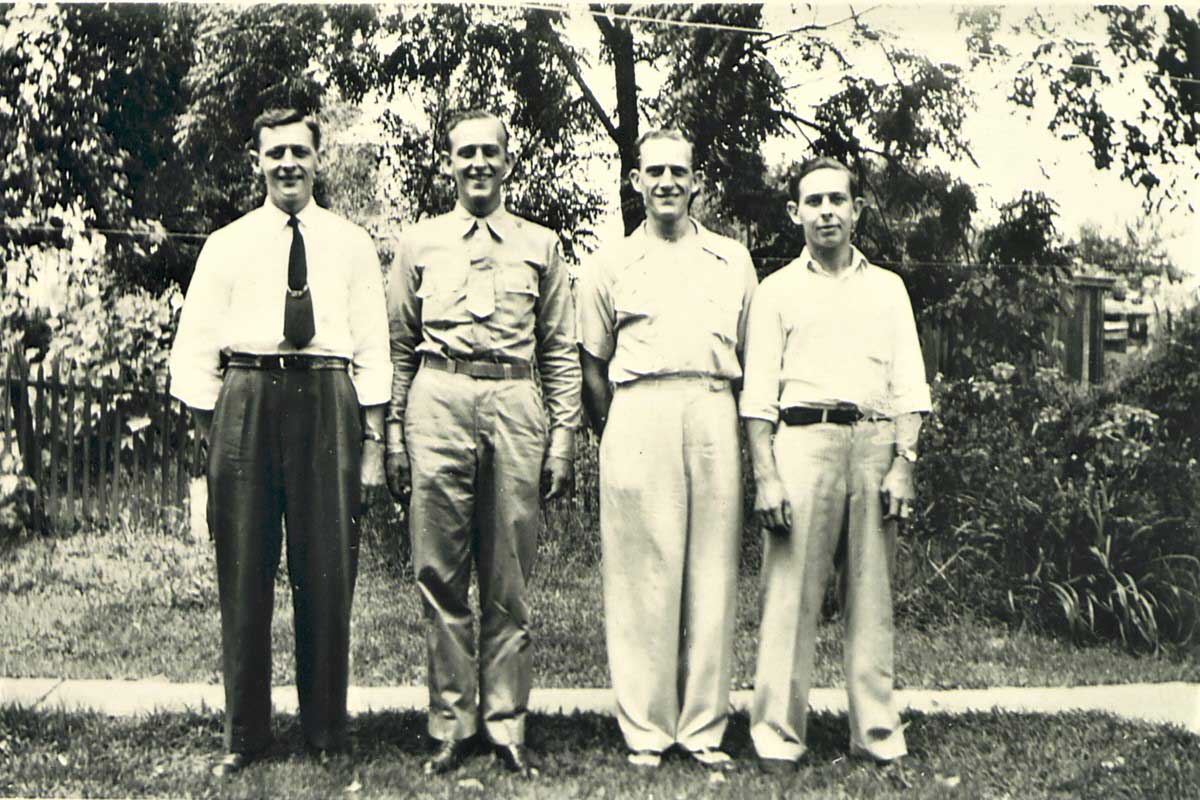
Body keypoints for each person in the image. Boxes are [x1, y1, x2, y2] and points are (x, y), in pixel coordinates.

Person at [169, 107, 391, 776]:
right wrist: (211, 439)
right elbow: (198, 345)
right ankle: (247, 734)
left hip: (326, 396)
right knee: (243, 570)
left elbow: (373, 344)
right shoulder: (228, 244)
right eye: (275, 153)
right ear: (258, 162)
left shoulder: (350, 243)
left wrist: (374, 443)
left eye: (299, 150)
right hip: (248, 394)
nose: (287, 163)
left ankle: (326, 730)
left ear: (318, 158)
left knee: (326, 570)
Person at [384, 109, 581, 778]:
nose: (477, 163)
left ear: (507, 161)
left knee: (507, 575)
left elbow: (559, 349)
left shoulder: (542, 246)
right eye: (464, 152)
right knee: (438, 572)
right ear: (448, 163)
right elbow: (398, 346)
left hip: (514, 403)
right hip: (437, 401)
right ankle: (450, 723)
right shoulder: (419, 243)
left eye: (488, 152)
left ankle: (505, 724)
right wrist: (392, 436)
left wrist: (562, 439)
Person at [739, 156, 931, 772]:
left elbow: (910, 387)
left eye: (837, 200)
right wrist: (765, 474)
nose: (826, 211)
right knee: (789, 595)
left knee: (872, 597)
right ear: (796, 212)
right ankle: (776, 735)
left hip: (874, 446)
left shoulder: (888, 289)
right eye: (813, 201)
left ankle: (875, 732)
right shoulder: (775, 292)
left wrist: (904, 462)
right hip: (802, 443)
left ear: (856, 210)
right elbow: (757, 397)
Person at [576, 128, 758, 770]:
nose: (666, 183)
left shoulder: (732, 261)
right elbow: (592, 366)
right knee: (641, 580)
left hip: (712, 406)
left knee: (712, 574)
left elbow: (752, 356)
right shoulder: (609, 264)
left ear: (695, 180)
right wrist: (620, 430)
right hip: (638, 412)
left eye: (678, 171)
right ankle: (647, 730)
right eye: (654, 171)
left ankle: (704, 728)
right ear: (636, 181)